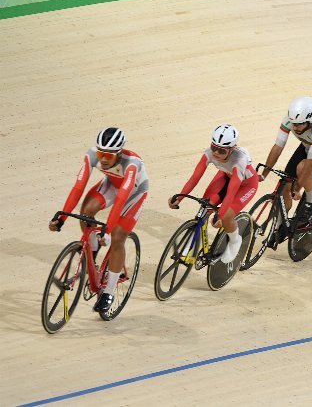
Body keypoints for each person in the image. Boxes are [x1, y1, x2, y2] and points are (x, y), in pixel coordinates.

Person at [48, 128, 149, 313]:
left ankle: (109, 292)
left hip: (133, 194)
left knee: (118, 238)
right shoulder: (92, 155)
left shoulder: (132, 164)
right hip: (112, 184)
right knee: (86, 212)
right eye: (101, 153)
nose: (103, 159)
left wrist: (108, 231)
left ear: (119, 153)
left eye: (108, 155)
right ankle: (92, 258)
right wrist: (61, 218)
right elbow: (78, 187)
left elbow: (121, 200)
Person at [169, 124, 258, 264]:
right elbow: (195, 178)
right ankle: (190, 244)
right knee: (204, 208)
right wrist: (180, 197)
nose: (216, 153)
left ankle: (235, 241)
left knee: (227, 217)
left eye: (221, 151)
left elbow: (231, 192)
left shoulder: (239, 160)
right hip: (225, 177)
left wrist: (222, 214)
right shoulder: (209, 153)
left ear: (232, 149)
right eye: (214, 147)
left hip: (246, 186)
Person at [260, 96, 312, 232]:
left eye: (299, 124)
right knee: (286, 183)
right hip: (308, 146)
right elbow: (278, 147)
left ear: (310, 121)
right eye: (293, 124)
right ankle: (280, 225)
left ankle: (311, 203)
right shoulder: (290, 119)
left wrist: (297, 188)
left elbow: (310, 164)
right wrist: (264, 173)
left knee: (303, 168)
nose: (295, 127)